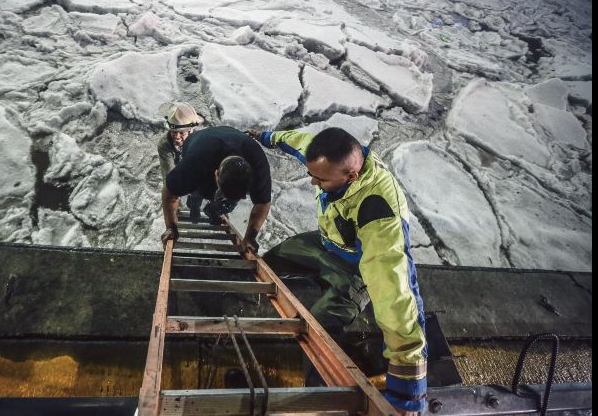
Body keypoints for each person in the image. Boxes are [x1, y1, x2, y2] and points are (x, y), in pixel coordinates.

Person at [248, 127, 427, 416]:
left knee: (317, 331)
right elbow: (296, 141)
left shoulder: (379, 212)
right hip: (326, 244)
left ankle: (324, 398)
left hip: (356, 268)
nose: (312, 182)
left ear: (352, 176)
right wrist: (265, 136)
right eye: (312, 174)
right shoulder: (328, 158)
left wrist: (409, 393)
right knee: (272, 259)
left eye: (320, 180)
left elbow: (395, 294)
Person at [161, 126, 272, 255]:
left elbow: (263, 203)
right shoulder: (194, 163)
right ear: (216, 174)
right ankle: (194, 203)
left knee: (227, 204)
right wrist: (171, 227)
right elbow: (169, 193)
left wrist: (250, 237)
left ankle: (215, 209)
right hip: (200, 143)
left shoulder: (259, 166)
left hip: (232, 139)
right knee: (199, 190)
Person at [156, 101, 204, 220]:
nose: (177, 137)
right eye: (174, 133)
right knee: (172, 186)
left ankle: (194, 205)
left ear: (190, 131)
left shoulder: (200, 142)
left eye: (181, 133)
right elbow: (169, 175)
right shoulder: (164, 144)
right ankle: (175, 209)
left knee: (198, 186)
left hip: (192, 162)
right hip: (175, 161)